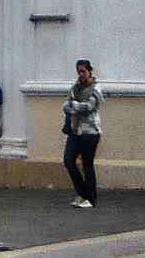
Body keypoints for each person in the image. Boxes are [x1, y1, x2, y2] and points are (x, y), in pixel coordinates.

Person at [62, 58, 103, 209]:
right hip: (75, 131)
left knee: (87, 165)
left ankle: (90, 199)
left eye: (83, 71)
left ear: (90, 71)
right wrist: (73, 106)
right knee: (68, 161)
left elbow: (89, 107)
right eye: (78, 72)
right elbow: (65, 105)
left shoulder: (96, 88)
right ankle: (83, 193)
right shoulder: (75, 87)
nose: (81, 74)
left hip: (90, 132)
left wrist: (73, 105)